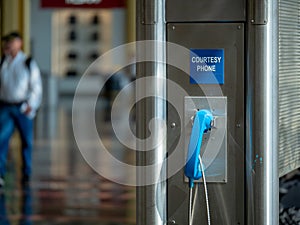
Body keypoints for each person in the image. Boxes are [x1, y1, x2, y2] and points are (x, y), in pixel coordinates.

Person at [0, 32, 42, 187]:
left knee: (26, 141)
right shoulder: (3, 61)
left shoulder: (28, 62)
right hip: (5, 106)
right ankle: (0, 174)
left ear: (20, 43)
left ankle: (26, 172)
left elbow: (36, 86)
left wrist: (31, 104)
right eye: (6, 43)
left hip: (22, 107)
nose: (7, 45)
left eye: (11, 42)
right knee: (1, 140)